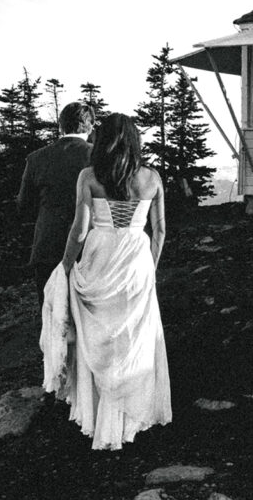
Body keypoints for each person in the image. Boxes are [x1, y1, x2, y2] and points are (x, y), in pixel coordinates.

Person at [41, 113, 171, 450]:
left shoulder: (89, 176)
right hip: (136, 257)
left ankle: (100, 414)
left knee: (98, 333)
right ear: (134, 140)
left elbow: (79, 230)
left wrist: (66, 268)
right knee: (133, 335)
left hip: (100, 253)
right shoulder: (152, 178)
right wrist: (150, 268)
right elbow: (159, 230)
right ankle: (128, 417)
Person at [17, 102, 95, 306]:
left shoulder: (36, 158)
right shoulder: (98, 157)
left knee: (51, 315)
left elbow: (24, 206)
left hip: (48, 245)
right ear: (91, 126)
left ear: (61, 126)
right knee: (90, 318)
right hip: (91, 247)